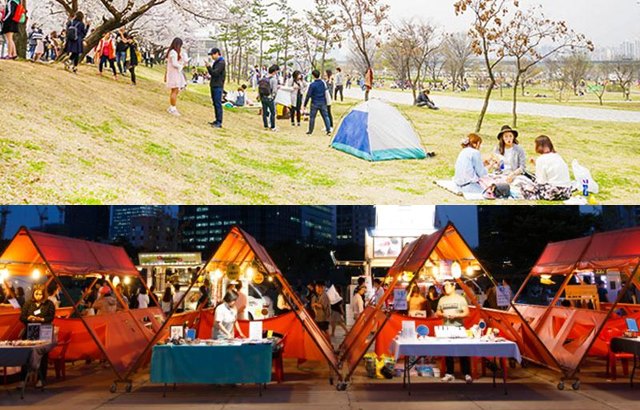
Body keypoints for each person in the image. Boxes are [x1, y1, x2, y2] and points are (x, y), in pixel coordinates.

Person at [436, 280, 472, 383]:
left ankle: (466, 373)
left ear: (453, 286)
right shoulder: (442, 299)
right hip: (446, 328)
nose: (445, 287)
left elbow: (466, 313)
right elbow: (438, 312)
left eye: (447, 285)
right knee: (448, 351)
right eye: (444, 285)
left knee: (463, 350)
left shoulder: (460, 299)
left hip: (458, 327)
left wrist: (456, 315)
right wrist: (443, 315)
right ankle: (449, 373)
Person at [20, 285, 55, 388]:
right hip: (29, 331)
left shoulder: (49, 304)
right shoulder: (28, 303)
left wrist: (41, 319)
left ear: (44, 294)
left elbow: (50, 317)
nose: (38, 296)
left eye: (40, 294)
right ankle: (23, 380)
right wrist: (29, 318)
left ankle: (41, 379)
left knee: (43, 356)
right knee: (26, 355)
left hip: (43, 332)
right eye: (36, 294)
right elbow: (22, 317)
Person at [521, 135, 573, 201]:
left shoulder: (541, 159)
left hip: (554, 191)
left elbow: (541, 181)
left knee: (524, 187)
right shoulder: (558, 156)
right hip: (567, 192)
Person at [303, 69, 331, 136]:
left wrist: (304, 104)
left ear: (313, 76)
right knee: (325, 116)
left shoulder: (312, 85)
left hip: (314, 103)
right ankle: (328, 130)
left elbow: (308, 95)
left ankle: (310, 131)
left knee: (312, 117)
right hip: (323, 102)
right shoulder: (322, 83)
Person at [165, 37, 188, 116]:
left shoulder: (174, 52)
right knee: (174, 90)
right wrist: (180, 66)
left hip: (175, 73)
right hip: (174, 73)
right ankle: (172, 108)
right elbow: (174, 63)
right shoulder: (173, 52)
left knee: (175, 90)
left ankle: (172, 107)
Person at [206, 47, 225, 128]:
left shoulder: (221, 62)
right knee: (215, 103)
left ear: (217, 53)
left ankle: (219, 122)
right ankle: (217, 120)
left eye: (213, 54)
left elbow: (215, 73)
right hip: (214, 85)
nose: (212, 56)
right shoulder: (216, 62)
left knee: (218, 104)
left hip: (218, 86)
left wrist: (208, 67)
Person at [259, 64, 279, 131]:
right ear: (274, 71)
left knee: (264, 113)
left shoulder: (264, 78)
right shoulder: (274, 79)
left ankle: (266, 126)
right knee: (273, 113)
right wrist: (273, 97)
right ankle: (272, 126)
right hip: (269, 97)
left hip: (263, 97)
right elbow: (274, 90)